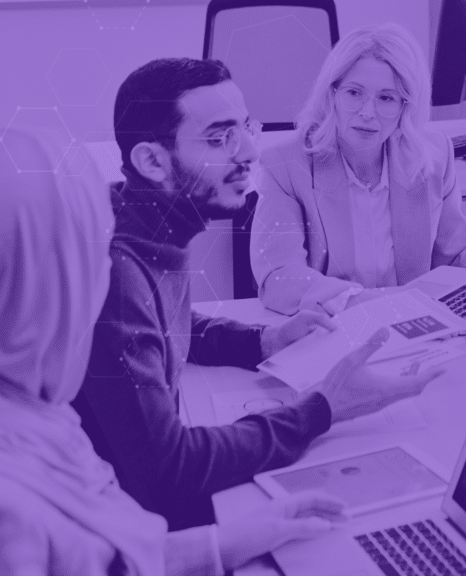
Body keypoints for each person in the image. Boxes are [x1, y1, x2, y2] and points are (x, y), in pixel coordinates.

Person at [73, 58, 442, 531]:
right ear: (152, 161)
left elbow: (167, 323)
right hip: (123, 527)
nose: (250, 150)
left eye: (246, 127)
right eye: (218, 137)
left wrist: (262, 341)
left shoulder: (139, 218)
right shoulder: (117, 274)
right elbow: (167, 470)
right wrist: (323, 408)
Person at [0, 126, 350, 576]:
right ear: (40, 284)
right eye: (90, 254)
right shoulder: (13, 513)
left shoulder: (35, 411)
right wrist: (319, 409)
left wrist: (233, 539)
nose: (104, 271)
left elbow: (115, 563)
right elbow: (166, 471)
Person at [250, 23, 466, 316]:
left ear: (405, 107)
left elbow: (451, 255)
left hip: (410, 327)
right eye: (354, 93)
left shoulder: (433, 157)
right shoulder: (285, 165)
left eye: (386, 98)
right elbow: (280, 276)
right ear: (332, 94)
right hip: (328, 329)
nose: (367, 113)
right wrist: (363, 304)